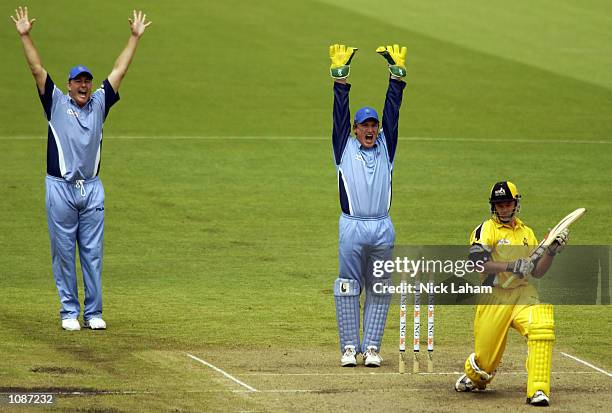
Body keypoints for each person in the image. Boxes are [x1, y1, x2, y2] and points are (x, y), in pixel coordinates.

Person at [11, 6, 151, 331]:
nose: (84, 86)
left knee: (92, 253)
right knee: (63, 254)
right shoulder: (56, 103)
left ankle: (93, 312)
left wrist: (134, 38)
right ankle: (68, 312)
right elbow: (36, 69)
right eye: (78, 81)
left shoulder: (100, 104)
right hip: (60, 187)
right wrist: (25, 35)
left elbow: (119, 70)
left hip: (91, 187)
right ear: (69, 84)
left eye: (87, 80)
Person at [456, 181, 569, 406]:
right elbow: (477, 263)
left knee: (541, 327)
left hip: (522, 294)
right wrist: (510, 266)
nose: (504, 208)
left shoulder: (527, 233)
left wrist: (552, 253)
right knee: (484, 367)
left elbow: (537, 272)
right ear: (493, 206)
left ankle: (537, 390)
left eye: (508, 203)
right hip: (494, 296)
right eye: (499, 205)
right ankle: (474, 374)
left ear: (516, 204)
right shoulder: (486, 229)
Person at [329, 44, 407, 367]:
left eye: (374, 125)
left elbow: (393, 113)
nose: (371, 130)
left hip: (381, 226)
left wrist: (396, 80)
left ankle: (372, 347)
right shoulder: (342, 148)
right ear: (355, 130)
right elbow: (338, 115)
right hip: (352, 224)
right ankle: (349, 348)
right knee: (348, 286)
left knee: (379, 286)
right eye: (365, 126)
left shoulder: (386, 147)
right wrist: (340, 82)